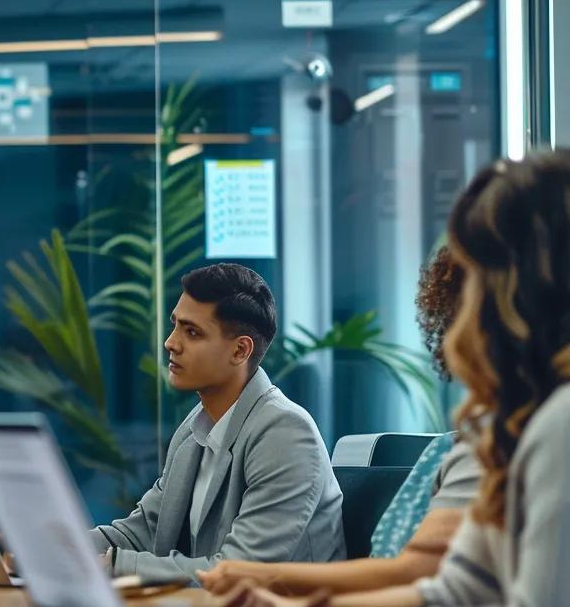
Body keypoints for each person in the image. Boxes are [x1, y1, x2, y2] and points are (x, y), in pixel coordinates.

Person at [225, 152, 570, 606]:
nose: (458, 312)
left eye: (475, 283)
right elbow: (456, 592)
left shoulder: (558, 423)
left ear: (518, 295)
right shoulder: (520, 425)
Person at [199, 248, 481, 596]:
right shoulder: (454, 448)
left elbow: (415, 575)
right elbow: (401, 569)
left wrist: (266, 580)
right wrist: (257, 577)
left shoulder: (491, 448)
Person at [88, 263, 344, 586]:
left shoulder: (287, 434)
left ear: (240, 350)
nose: (171, 343)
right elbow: (143, 532)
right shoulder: (194, 430)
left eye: (191, 332)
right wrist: (55, 549)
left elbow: (237, 572)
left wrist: (113, 565)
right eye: (175, 326)